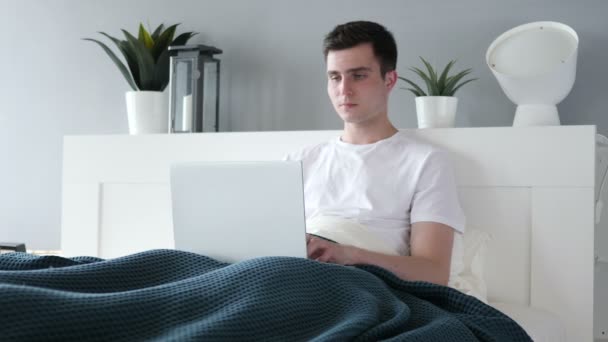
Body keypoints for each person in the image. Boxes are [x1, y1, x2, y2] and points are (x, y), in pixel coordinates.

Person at [285, 21, 465, 286]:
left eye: (358, 75)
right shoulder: (298, 161)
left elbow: (433, 273)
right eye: (335, 77)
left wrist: (348, 255)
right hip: (292, 277)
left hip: (361, 286)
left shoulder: (425, 162)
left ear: (389, 79)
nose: (343, 90)